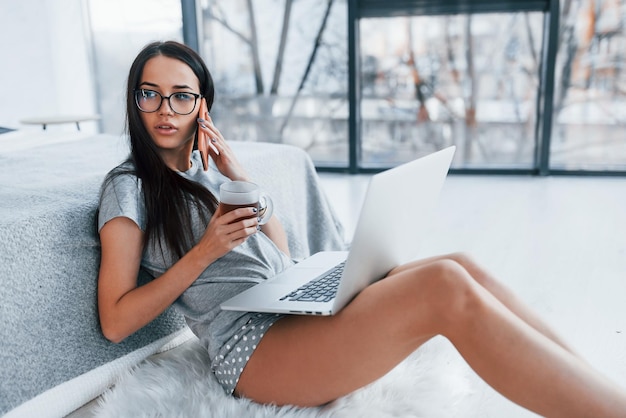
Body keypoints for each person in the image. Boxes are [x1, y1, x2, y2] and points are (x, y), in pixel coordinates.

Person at [97, 40, 626, 416]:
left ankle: (597, 389)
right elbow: (116, 322)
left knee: (460, 265)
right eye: (151, 94)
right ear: (134, 101)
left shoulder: (211, 173)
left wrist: (239, 177)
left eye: (182, 95)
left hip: (288, 307)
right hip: (252, 351)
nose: (166, 109)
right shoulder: (129, 188)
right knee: (444, 289)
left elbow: (280, 253)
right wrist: (206, 252)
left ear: (201, 105)